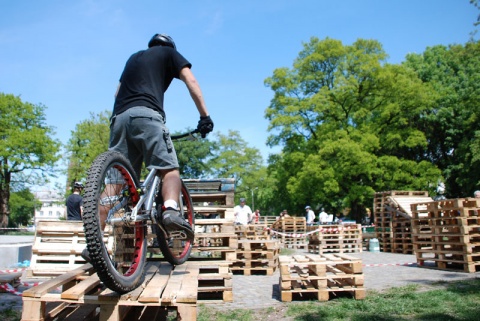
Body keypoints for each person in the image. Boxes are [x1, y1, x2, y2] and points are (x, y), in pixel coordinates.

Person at [108, 34, 214, 240]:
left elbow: (116, 93)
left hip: (119, 118)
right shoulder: (169, 53)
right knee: (170, 170)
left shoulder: (133, 57)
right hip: (147, 114)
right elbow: (190, 80)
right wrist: (204, 116)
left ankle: (94, 241)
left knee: (116, 183)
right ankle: (172, 210)